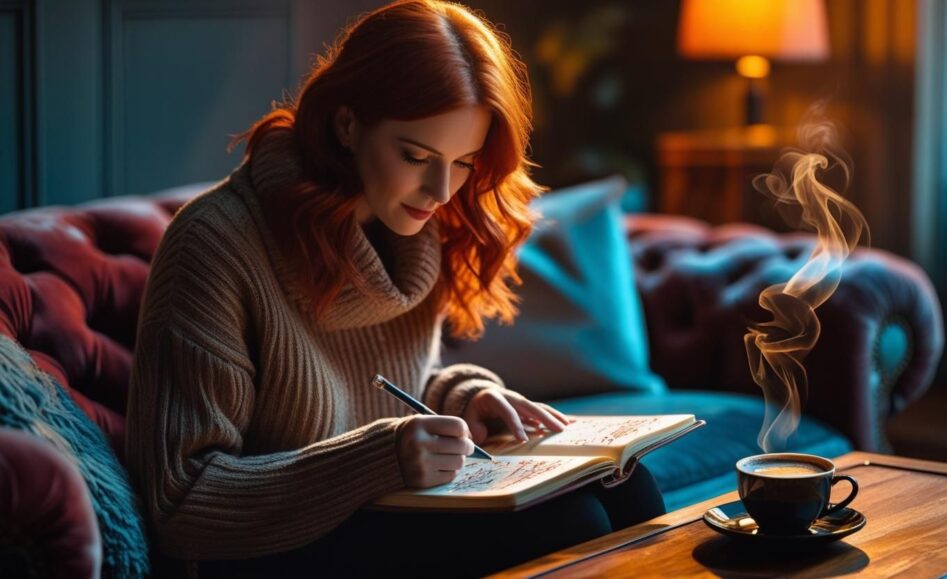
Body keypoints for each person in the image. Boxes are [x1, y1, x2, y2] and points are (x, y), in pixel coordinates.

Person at [125, 1, 665, 577]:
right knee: (572, 525)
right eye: (416, 156)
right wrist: (378, 459)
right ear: (347, 124)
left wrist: (463, 398)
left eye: (463, 162)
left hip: (379, 508)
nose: (440, 190)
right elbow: (180, 502)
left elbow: (389, 387)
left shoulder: (412, 227)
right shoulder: (214, 243)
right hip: (259, 549)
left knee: (627, 485)